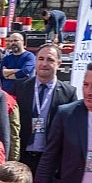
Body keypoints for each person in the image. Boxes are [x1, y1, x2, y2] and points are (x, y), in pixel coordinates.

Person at [13, 43, 77, 174]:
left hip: (50, 159)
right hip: (22, 155)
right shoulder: (20, 87)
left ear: (59, 63)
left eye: (50, 60)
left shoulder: (68, 93)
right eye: (41, 59)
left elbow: (71, 132)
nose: (44, 64)